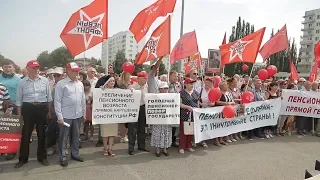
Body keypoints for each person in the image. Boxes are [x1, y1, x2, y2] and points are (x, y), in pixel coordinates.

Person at [14, 60, 52, 168]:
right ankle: (23, 159)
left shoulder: (45, 81)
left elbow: (49, 98)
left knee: (42, 134)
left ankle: (42, 157)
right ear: (28, 68)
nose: (36, 69)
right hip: (27, 109)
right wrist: (20, 115)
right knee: (26, 135)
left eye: (37, 67)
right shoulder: (22, 82)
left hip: (41, 108)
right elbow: (18, 100)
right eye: (33, 67)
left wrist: (49, 111)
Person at [55, 62, 85, 167]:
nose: (77, 72)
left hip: (77, 115)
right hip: (66, 116)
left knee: (76, 137)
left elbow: (83, 99)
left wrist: (83, 113)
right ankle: (62, 157)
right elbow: (57, 101)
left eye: (77, 70)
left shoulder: (80, 83)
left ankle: (75, 154)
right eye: (74, 70)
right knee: (63, 138)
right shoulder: (61, 84)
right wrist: (60, 117)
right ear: (68, 71)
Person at [128, 71, 149, 155]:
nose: (146, 80)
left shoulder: (146, 86)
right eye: (145, 78)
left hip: (143, 108)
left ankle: (141, 146)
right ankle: (131, 148)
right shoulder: (132, 87)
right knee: (132, 129)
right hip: (134, 108)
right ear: (139, 79)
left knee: (142, 128)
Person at [98, 75, 119, 157]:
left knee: (112, 133)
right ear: (107, 82)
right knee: (105, 133)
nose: (112, 82)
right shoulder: (102, 90)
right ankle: (105, 148)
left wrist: (131, 90)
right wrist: (101, 89)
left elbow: (126, 94)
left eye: (113, 81)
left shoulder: (117, 91)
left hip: (113, 116)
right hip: (104, 116)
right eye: (110, 81)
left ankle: (110, 149)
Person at [151, 82, 172, 157]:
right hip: (158, 119)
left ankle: (165, 149)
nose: (166, 90)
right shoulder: (155, 96)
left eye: (167, 88)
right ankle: (158, 150)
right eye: (164, 88)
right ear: (160, 89)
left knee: (166, 133)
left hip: (167, 118)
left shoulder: (170, 96)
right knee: (158, 133)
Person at [47, 67, 64, 156]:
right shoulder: (51, 85)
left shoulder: (66, 84)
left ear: (62, 75)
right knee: (52, 129)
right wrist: (49, 112)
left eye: (58, 75)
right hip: (54, 111)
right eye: (55, 75)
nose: (56, 77)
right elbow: (50, 100)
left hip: (64, 111)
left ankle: (62, 147)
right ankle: (51, 146)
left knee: (62, 130)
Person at [179, 78, 199, 154]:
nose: (191, 85)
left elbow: (197, 103)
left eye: (192, 84)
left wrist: (198, 110)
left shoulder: (196, 93)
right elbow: (179, 104)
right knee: (183, 131)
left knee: (190, 131)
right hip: (185, 114)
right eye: (190, 84)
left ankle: (189, 146)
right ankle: (182, 147)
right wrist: (187, 107)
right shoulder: (181, 93)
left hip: (193, 114)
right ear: (186, 84)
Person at [197, 77, 215, 147]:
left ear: (211, 84)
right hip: (200, 110)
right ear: (204, 82)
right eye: (207, 82)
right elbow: (196, 99)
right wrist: (201, 104)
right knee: (199, 125)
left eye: (209, 83)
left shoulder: (212, 91)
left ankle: (203, 140)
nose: (208, 84)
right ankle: (196, 139)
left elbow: (214, 102)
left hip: (208, 111)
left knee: (205, 126)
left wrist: (211, 104)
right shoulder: (200, 89)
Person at [117, 71, 131, 143]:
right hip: (124, 105)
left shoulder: (121, 84)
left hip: (124, 105)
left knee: (123, 122)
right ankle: (123, 135)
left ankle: (123, 135)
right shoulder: (123, 85)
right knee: (124, 122)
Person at [168, 71, 180, 147]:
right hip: (169, 109)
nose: (176, 77)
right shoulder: (167, 85)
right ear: (170, 77)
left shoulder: (177, 85)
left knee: (175, 126)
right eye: (174, 76)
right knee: (170, 126)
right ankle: (168, 141)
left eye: (177, 76)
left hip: (175, 108)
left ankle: (173, 141)